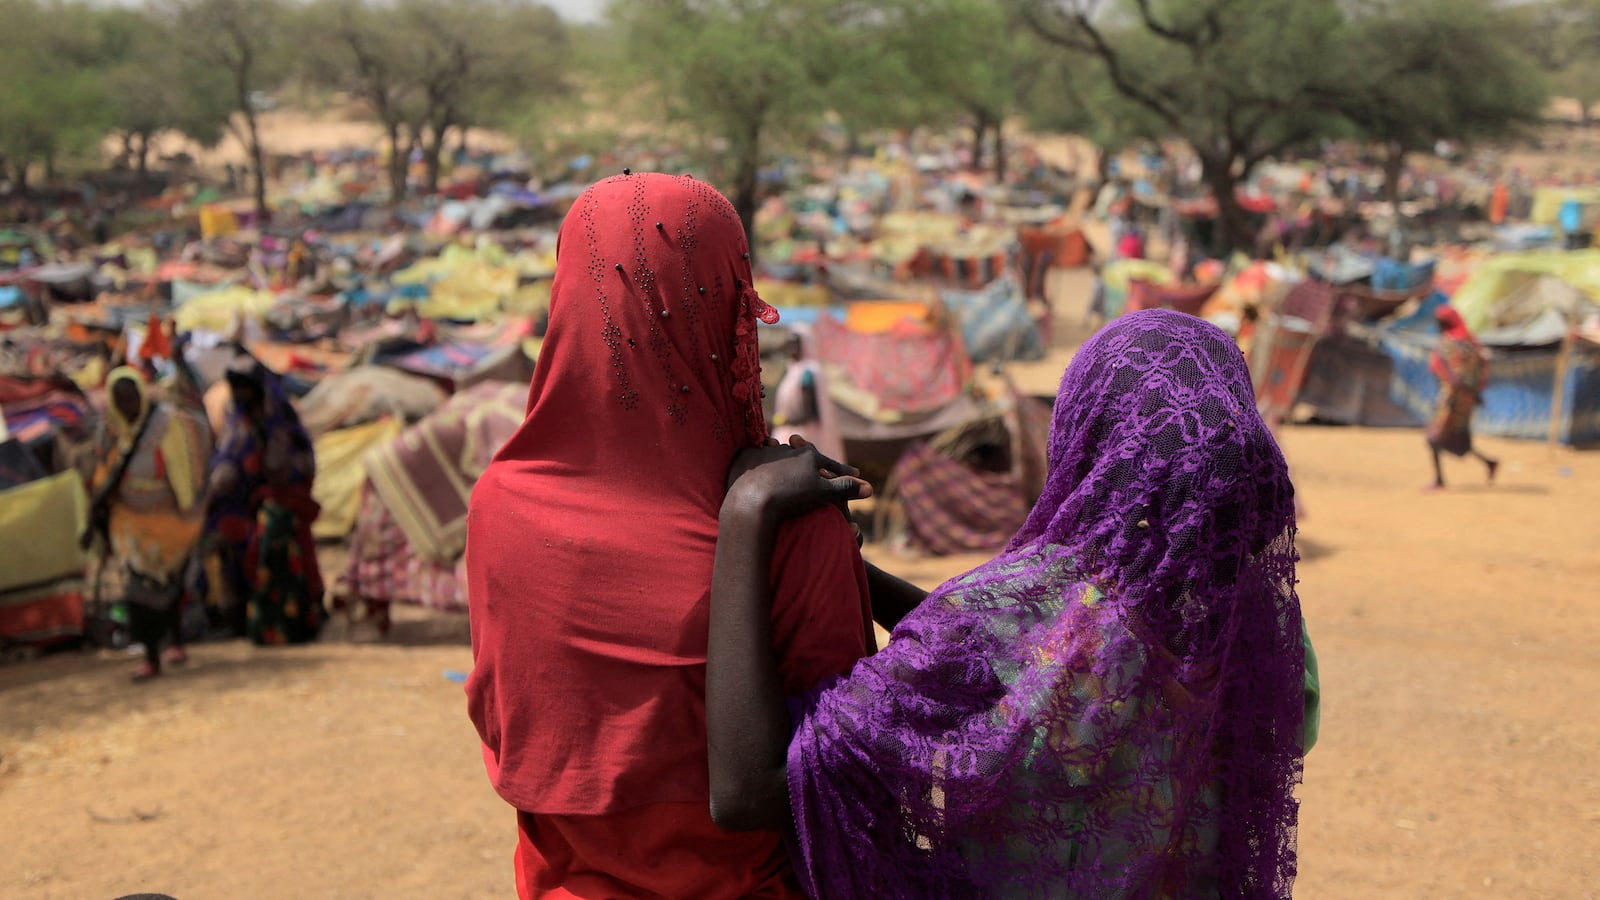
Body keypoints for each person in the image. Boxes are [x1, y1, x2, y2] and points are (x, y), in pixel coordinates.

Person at [708, 310, 1317, 898]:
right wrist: (851, 571)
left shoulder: (1034, 606)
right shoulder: (1263, 633)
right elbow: (1030, 654)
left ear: (1088, 437)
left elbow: (750, 791)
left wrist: (747, 512)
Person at [464, 172, 879, 899]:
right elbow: (836, 773)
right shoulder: (793, 527)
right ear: (732, 307)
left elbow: (514, 734)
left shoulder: (499, 507)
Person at [84, 367, 212, 681]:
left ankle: (175, 640)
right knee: (136, 589)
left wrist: (192, 506)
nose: (128, 405)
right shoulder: (111, 433)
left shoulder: (168, 426)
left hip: (169, 521)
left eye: (131, 397)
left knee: (171, 583)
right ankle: (150, 656)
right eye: (121, 399)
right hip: (129, 523)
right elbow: (103, 473)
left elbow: (190, 462)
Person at [203, 354, 325, 644]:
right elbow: (228, 458)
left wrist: (273, 473)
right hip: (240, 504)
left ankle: (286, 624)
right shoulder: (237, 420)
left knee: (275, 556)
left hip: (280, 504)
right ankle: (237, 618)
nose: (241, 395)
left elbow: (299, 463)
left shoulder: (281, 422)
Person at [1426, 305, 1498, 492]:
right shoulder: (1471, 343)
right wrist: (1475, 393)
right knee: (1456, 438)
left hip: (1453, 399)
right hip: (1468, 400)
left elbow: (1455, 376)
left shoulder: (1449, 344)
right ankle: (1489, 462)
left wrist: (1452, 397)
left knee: (1434, 438)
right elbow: (1479, 370)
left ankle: (1440, 480)